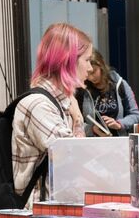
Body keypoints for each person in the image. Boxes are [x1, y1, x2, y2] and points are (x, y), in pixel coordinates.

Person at [12, 23, 92, 200]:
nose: (90, 68)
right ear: (68, 61)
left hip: (53, 212)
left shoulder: (59, 103)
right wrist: (78, 119)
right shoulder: (39, 105)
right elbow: (73, 158)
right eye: (87, 60)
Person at [76, 49, 139, 136]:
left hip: (118, 141)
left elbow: (135, 114)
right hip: (93, 143)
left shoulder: (120, 84)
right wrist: (92, 129)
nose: (91, 78)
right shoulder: (82, 89)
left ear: (101, 65)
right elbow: (76, 122)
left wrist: (119, 124)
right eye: (88, 74)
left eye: (94, 72)